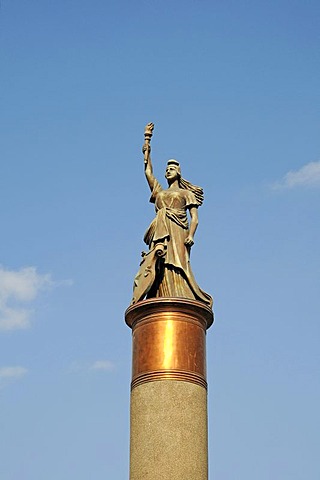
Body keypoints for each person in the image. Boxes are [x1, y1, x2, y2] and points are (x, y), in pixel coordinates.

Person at [131, 142, 212, 307]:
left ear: (179, 173)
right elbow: (148, 172)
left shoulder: (186, 194)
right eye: (166, 169)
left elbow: (194, 217)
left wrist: (191, 235)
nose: (168, 171)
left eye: (172, 169)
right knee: (159, 261)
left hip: (178, 230)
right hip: (160, 230)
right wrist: (147, 153)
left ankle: (182, 293)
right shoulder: (160, 192)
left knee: (178, 262)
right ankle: (160, 293)